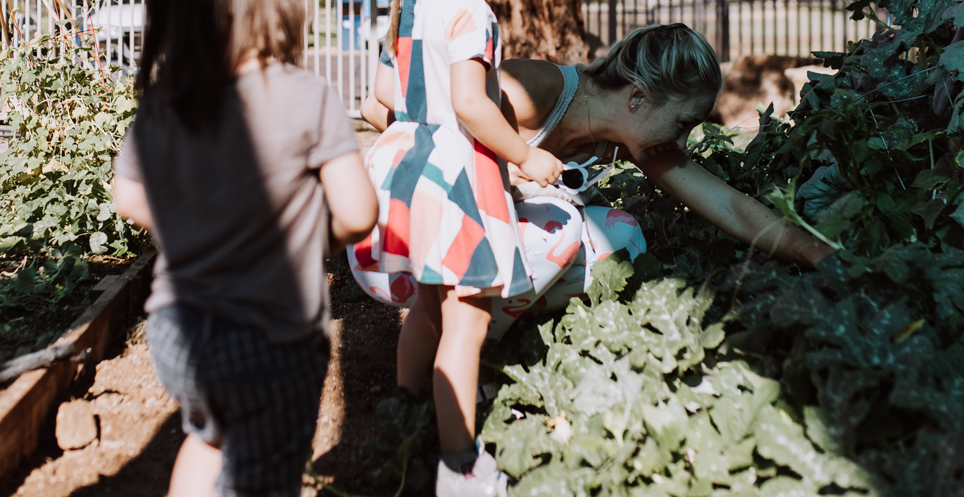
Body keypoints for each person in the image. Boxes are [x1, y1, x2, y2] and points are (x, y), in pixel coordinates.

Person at [112, 0, 379, 497]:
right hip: (272, 338)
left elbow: (127, 195)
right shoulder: (308, 96)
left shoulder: (164, 103)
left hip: (178, 332)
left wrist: (197, 221)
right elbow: (359, 212)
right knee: (264, 476)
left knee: (209, 439)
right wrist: (313, 236)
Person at [354, 23, 834, 336]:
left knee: (625, 242)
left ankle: (488, 324)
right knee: (562, 223)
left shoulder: (638, 140)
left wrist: (819, 254)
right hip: (406, 239)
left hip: (480, 246)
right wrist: (514, 169)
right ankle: (455, 344)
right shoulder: (535, 90)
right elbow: (388, 112)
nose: (683, 143)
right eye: (682, 123)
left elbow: (727, 205)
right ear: (638, 98)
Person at [348, 0, 561, 497]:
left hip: (412, 179)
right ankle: (462, 466)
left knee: (426, 311)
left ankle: (405, 418)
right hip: (463, 184)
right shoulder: (472, 13)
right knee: (467, 324)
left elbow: (378, 99)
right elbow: (471, 105)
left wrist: (418, 125)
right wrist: (526, 156)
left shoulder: (410, 8)